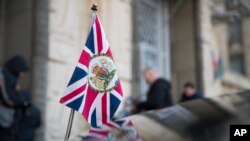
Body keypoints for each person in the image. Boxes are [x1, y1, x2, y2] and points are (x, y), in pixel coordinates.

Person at [0, 55, 29, 141]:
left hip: (6, 119)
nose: (22, 75)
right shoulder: (2, 75)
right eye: (21, 71)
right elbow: (8, 98)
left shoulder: (9, 77)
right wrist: (22, 100)